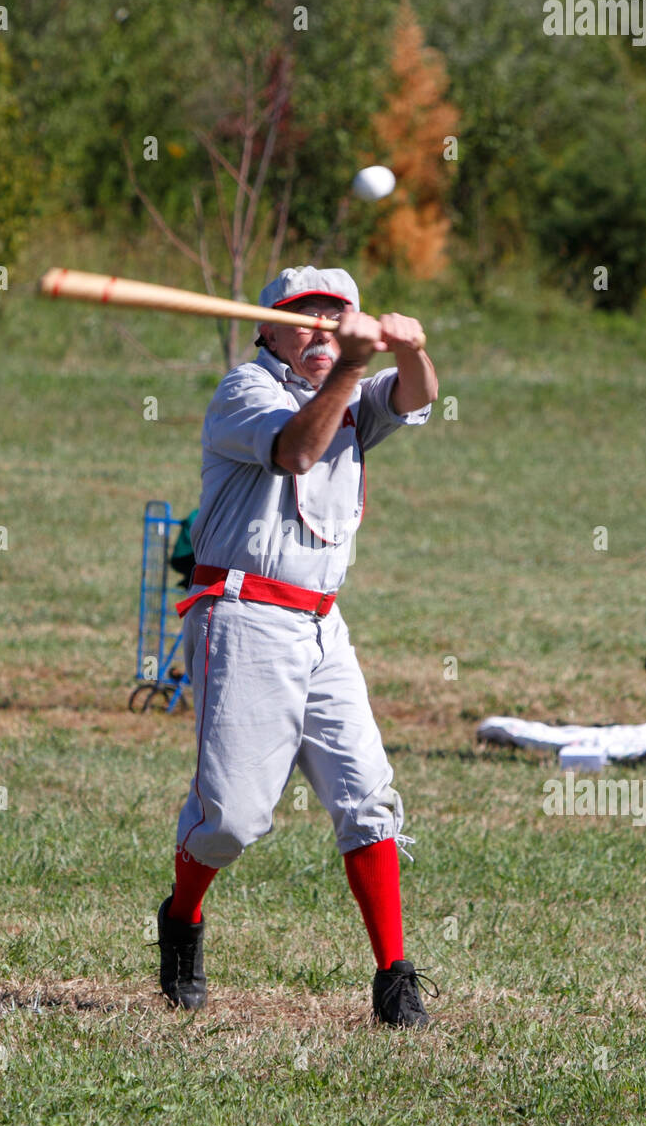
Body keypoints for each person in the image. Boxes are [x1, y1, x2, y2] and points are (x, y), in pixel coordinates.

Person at [157, 265, 439, 1026]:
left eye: (334, 314)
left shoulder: (355, 393)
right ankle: (181, 917)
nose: (319, 328)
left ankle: (394, 974)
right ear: (267, 330)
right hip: (242, 616)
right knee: (232, 821)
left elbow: (416, 396)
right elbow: (296, 454)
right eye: (302, 316)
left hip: (323, 624)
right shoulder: (243, 393)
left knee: (368, 799)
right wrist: (350, 362)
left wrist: (408, 349)